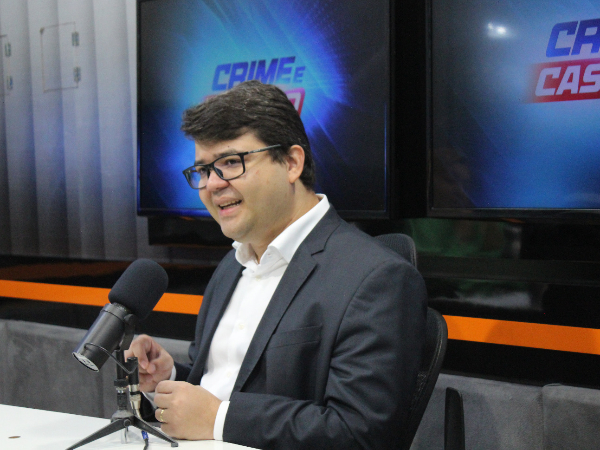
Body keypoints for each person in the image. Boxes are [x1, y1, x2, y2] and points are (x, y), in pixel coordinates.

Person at [126, 80, 427, 449]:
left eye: (231, 163)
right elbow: (231, 387)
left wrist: (219, 419)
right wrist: (168, 378)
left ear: (291, 163)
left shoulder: (378, 278)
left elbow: (361, 433)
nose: (212, 184)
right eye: (203, 170)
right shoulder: (231, 266)